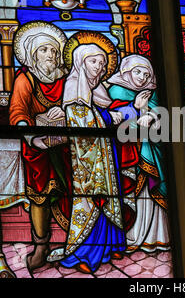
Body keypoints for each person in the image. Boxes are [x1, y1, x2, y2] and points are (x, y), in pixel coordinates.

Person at [46, 42, 137, 274]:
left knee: (110, 198)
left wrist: (120, 114)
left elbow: (100, 113)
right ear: (80, 62)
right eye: (94, 61)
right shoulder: (73, 87)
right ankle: (85, 252)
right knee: (91, 202)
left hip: (105, 154)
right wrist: (112, 117)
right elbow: (82, 120)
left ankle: (110, 245)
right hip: (85, 160)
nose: (99, 67)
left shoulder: (99, 92)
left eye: (103, 63)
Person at [8, 22, 73, 273]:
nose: (51, 55)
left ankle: (75, 242)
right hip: (37, 145)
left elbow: (82, 102)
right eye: (44, 50)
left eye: (54, 51)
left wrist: (66, 111)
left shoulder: (67, 77)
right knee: (40, 196)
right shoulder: (26, 78)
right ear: (33, 54)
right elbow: (18, 111)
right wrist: (32, 134)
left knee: (76, 192)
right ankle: (41, 246)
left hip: (67, 144)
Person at [106, 54, 170, 253]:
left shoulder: (154, 93)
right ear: (126, 71)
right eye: (137, 72)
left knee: (152, 194)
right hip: (128, 152)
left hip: (152, 151)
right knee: (135, 194)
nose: (142, 77)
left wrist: (149, 114)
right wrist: (136, 109)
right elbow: (113, 119)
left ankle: (157, 236)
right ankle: (134, 236)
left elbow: (165, 117)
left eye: (146, 73)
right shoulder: (115, 90)